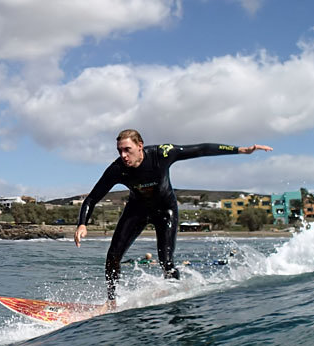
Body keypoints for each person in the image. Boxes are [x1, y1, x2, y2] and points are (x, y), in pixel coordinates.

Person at [74, 129, 272, 305]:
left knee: (166, 261)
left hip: (165, 210)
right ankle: (111, 302)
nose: (123, 155)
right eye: (120, 151)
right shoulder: (117, 169)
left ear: (140, 146)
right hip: (137, 210)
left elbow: (201, 149)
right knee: (113, 257)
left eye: (127, 149)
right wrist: (82, 224)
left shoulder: (162, 153)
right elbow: (92, 198)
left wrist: (242, 150)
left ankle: (177, 299)